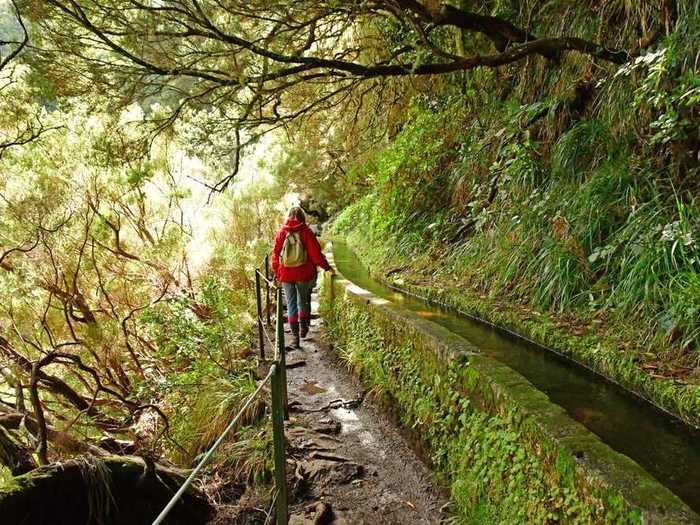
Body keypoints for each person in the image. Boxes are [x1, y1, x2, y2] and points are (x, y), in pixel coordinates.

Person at [272, 207, 334, 348]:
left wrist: (277, 271)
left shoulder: (282, 232)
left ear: (288, 216)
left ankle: (295, 337)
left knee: (291, 304)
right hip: (304, 274)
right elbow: (316, 255)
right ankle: (304, 327)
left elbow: (275, 254)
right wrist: (327, 267)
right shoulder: (306, 232)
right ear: (302, 217)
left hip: (286, 274)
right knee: (303, 301)